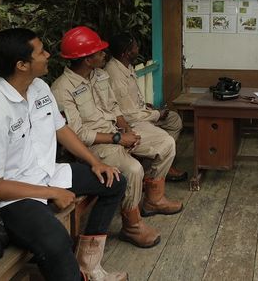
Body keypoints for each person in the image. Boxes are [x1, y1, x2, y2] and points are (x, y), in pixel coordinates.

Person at [0, 28, 127, 281]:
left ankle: (88, 264)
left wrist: (95, 162)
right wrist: (51, 193)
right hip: (10, 199)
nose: (48, 55)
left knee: (114, 181)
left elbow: (61, 128)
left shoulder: (39, 88)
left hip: (46, 173)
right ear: (22, 65)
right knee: (55, 242)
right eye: (41, 51)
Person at [51, 26, 183, 250]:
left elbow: (114, 108)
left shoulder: (100, 75)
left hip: (116, 133)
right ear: (86, 59)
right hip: (94, 145)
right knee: (133, 169)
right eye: (100, 52)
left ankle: (153, 199)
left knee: (165, 143)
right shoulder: (61, 89)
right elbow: (78, 135)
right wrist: (116, 139)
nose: (105, 55)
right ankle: (132, 226)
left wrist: (125, 131)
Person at [104, 32, 187, 181]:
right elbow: (127, 115)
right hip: (131, 123)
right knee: (165, 140)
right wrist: (156, 114)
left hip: (139, 115)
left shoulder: (126, 65)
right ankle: (152, 178)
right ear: (126, 53)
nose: (138, 49)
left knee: (174, 120)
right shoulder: (115, 75)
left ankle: (163, 163)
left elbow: (132, 100)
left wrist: (147, 106)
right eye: (135, 47)